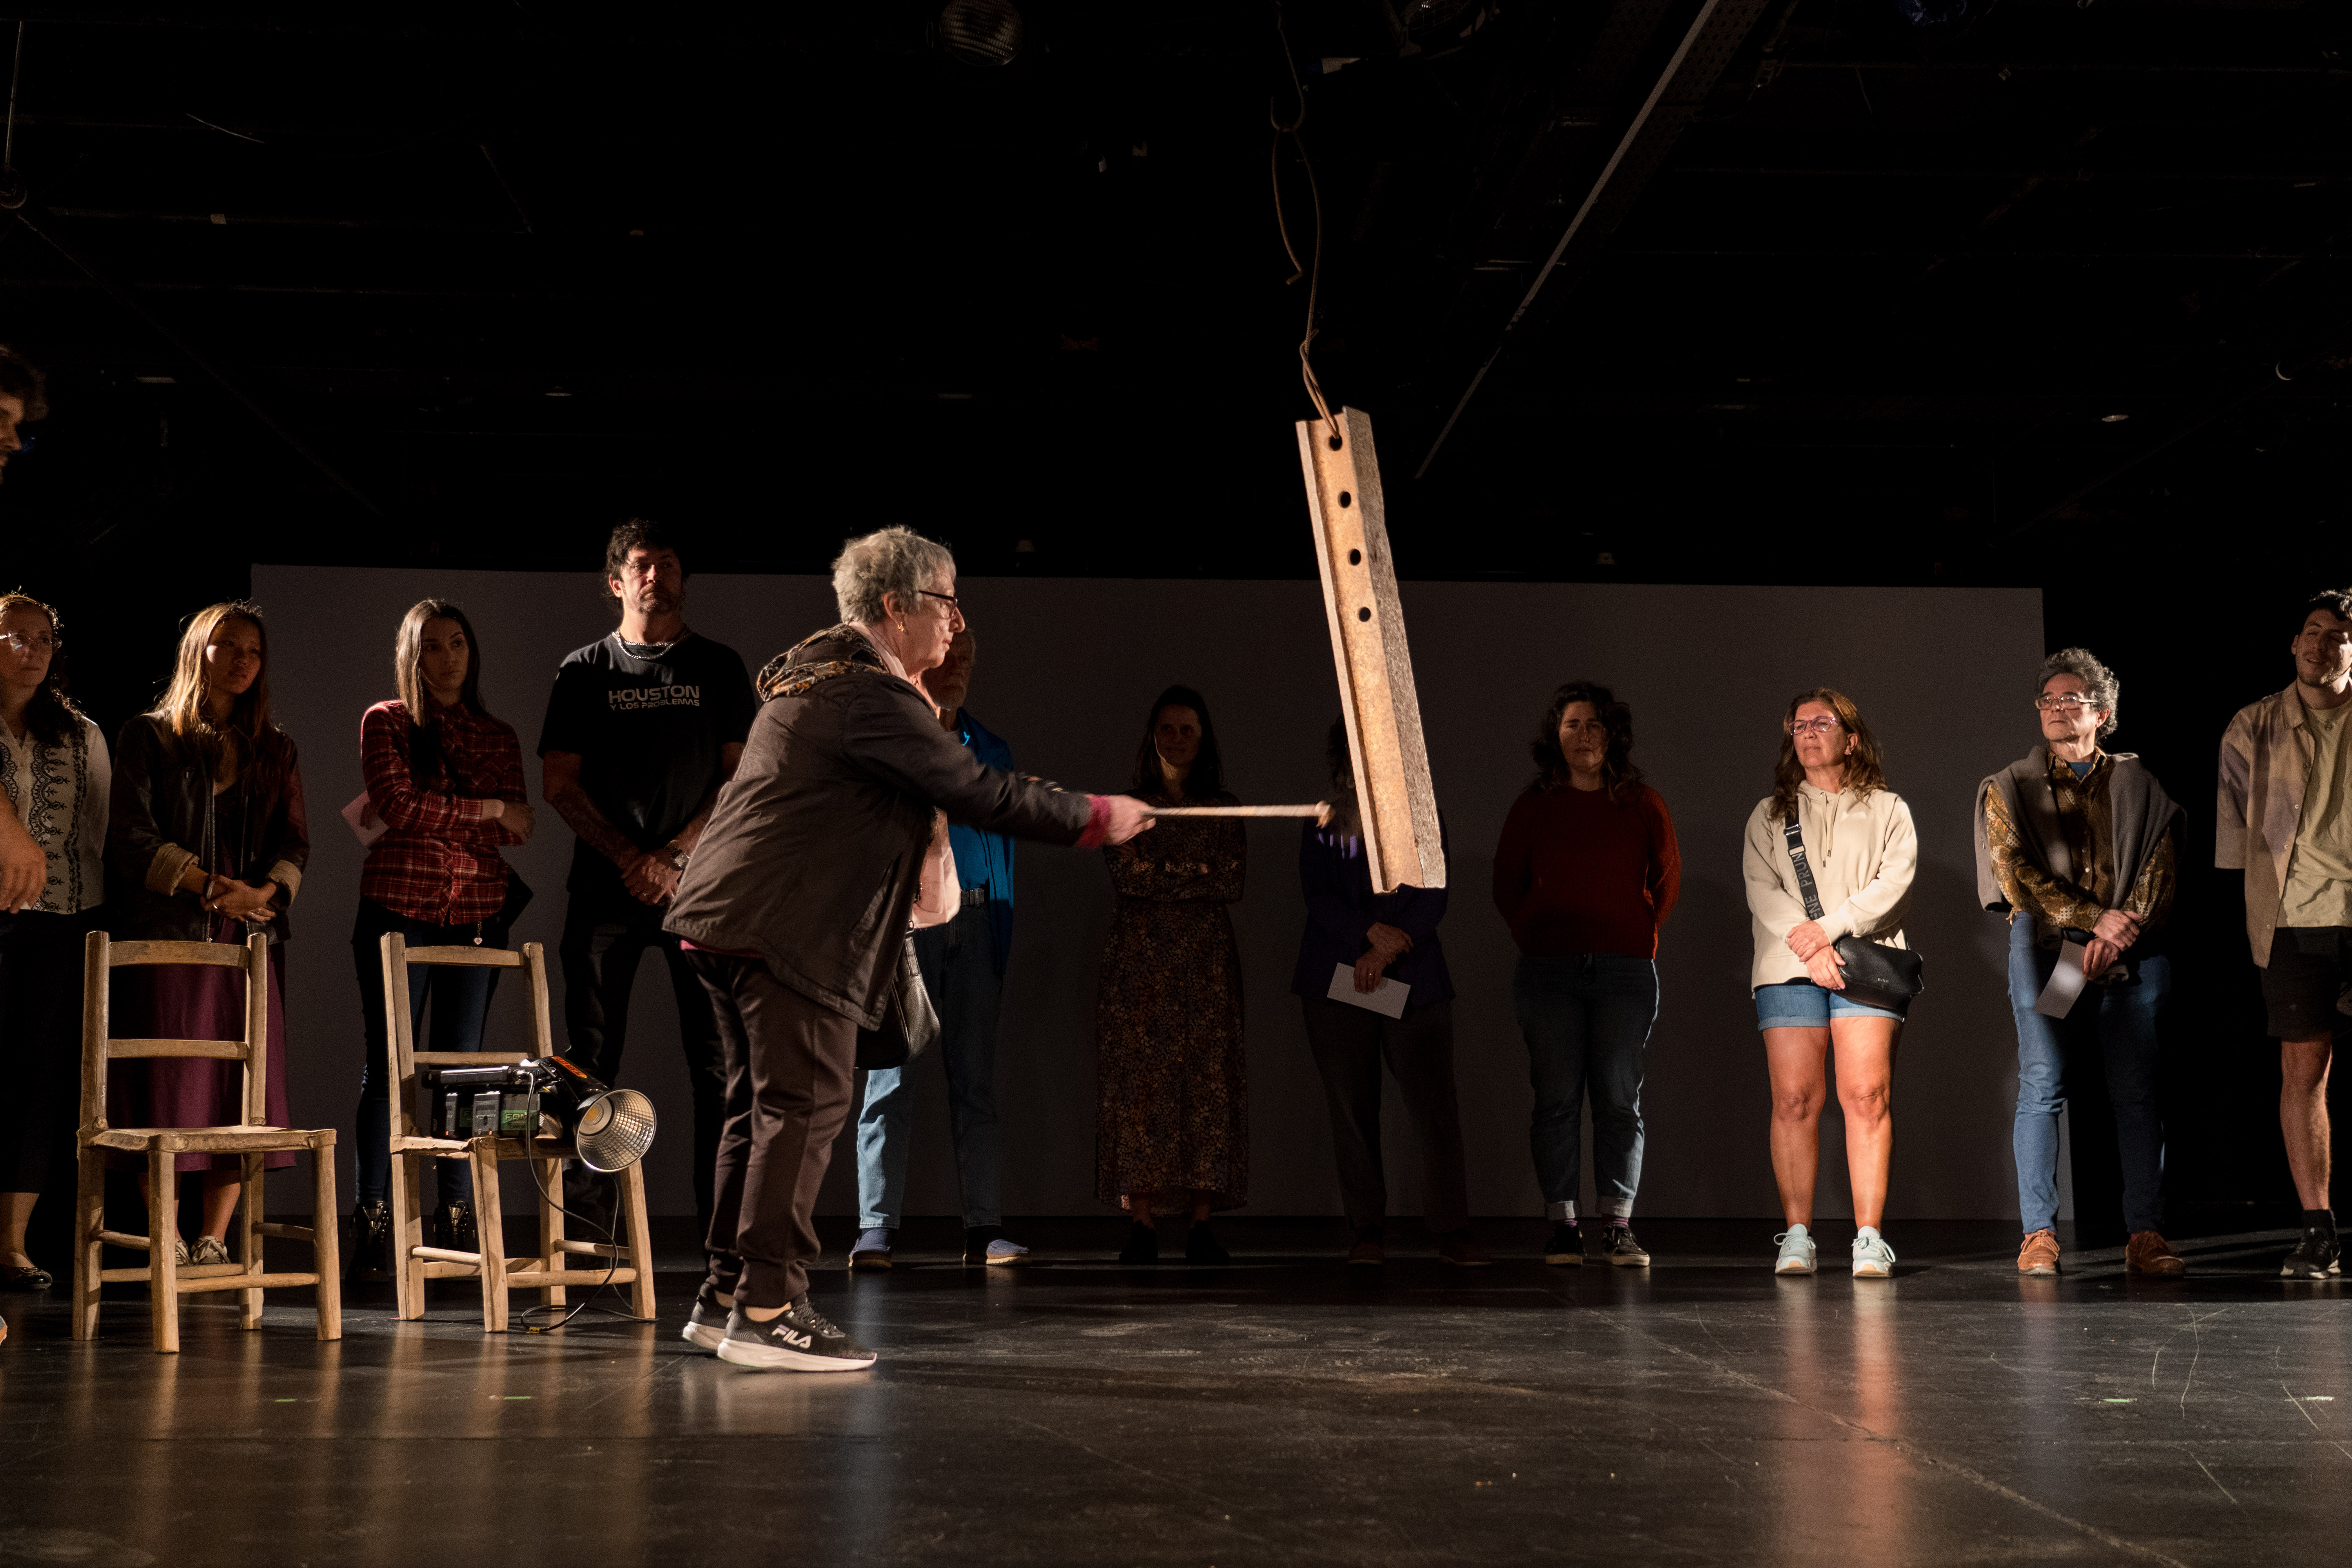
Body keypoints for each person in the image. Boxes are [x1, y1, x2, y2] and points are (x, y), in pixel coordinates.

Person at [665, 526, 1152, 1372]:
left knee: (757, 1110)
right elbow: (973, 787)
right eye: (946, 599)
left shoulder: (819, 676)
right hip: (782, 927)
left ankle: (723, 1296)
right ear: (895, 606)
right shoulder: (867, 691)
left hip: (722, 915)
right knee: (803, 1107)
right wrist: (1096, 817)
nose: (958, 621)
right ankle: (771, 1306)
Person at [538, 519, 756, 1238]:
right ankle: (586, 1232)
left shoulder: (720, 667)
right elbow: (559, 783)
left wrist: (674, 859)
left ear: (683, 577)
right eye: (641, 565)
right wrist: (632, 860)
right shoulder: (583, 670)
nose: (656, 575)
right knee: (588, 1062)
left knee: (719, 1067)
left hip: (701, 894)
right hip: (606, 894)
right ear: (616, 583)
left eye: (668, 563)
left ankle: (721, 1231)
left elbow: (742, 778)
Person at [105, 602, 308, 1265]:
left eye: (254, 650)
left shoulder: (275, 748)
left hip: (244, 940)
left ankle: (214, 1238)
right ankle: (165, 1234)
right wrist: (207, 886)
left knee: (237, 1093)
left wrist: (261, 894)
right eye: (229, 646)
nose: (244, 660)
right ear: (198, 650)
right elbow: (131, 838)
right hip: (166, 935)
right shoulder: (148, 736)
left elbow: (295, 844)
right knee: (161, 1088)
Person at [1976, 649, 2183, 1278]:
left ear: (2104, 712)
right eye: (2049, 701)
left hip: (2128, 953)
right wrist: (2094, 922)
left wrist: (2118, 933)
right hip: (2052, 953)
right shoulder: (2012, 786)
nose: (2060, 710)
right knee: (2043, 1083)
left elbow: (2159, 868)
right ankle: (2038, 1234)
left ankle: (2145, 1234)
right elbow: (2016, 876)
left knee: (2136, 1090)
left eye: (2073, 700)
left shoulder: (2137, 782)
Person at [348, 601, 535, 1278]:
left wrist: (456, 818)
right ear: (412, 655)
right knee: (390, 1066)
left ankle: (458, 1221)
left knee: (464, 1072)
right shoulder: (388, 721)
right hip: (399, 907)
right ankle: (375, 1217)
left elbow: (522, 827)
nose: (449, 657)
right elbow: (397, 806)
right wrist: (482, 811)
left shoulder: (498, 733)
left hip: (478, 914)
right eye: (433, 646)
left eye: (459, 643)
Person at [849, 626, 1033, 1270]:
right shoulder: (893, 738)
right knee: (888, 1079)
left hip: (977, 923)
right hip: (907, 926)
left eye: (968, 658)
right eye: (947, 654)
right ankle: (875, 1227)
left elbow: (1003, 850)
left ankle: (984, 1227)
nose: (957, 666)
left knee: (975, 1083)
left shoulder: (991, 749)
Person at [1492, 681, 1680, 1269]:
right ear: (1557, 735)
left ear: (1612, 735)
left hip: (1625, 972)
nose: (1584, 735)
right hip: (1549, 973)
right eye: (1573, 724)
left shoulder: (1642, 803)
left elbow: (1667, 880)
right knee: (1555, 1101)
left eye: (1595, 724)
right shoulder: (1534, 805)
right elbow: (1506, 884)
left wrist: (1636, 934)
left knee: (1620, 1101)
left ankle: (1618, 1226)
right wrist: (1538, 931)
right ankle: (1563, 1226)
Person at [1742, 688, 1918, 1279]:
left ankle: (1869, 1237)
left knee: (1867, 1097)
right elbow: (1763, 890)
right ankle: (1797, 1236)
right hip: (1789, 969)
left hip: (1865, 964)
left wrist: (1829, 933)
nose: (1809, 732)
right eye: (1798, 725)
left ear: (1853, 737)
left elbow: (1893, 884)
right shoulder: (1769, 814)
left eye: (1823, 722)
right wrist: (1810, 946)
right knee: (1794, 1101)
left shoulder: (1890, 809)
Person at [1296, 720, 1482, 1266]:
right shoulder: (1324, 820)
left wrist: (1385, 950)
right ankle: (1366, 1230)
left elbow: (1434, 894)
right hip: (1338, 979)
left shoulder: (1424, 814)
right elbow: (1317, 895)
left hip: (1412, 976)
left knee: (1435, 1112)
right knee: (1352, 1111)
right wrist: (1364, 936)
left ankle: (1452, 1229)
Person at [2218, 588, 2352, 1280]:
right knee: (2304, 1074)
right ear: (2294, 643)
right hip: (2296, 922)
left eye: (2338, 635)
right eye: (2312, 631)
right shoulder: (2253, 724)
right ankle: (2317, 1229)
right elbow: (2236, 842)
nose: (2321, 644)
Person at [1095, 684, 1249, 1266]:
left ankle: (1203, 1224)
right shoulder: (1127, 807)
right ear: (1152, 736)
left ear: (1202, 737)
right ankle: (1142, 1222)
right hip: (1140, 966)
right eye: (1168, 728)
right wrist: (1195, 871)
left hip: (1207, 969)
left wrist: (1164, 869)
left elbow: (1230, 881)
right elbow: (1130, 879)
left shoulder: (1225, 806)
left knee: (1208, 1087)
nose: (1177, 739)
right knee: (1141, 1090)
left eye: (1188, 729)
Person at [0, 593, 110, 1293]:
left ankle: (11, 1242)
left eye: (45, 639)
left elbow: (97, 830)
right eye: (18, 637)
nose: (35, 650)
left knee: (38, 1079)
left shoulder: (79, 733)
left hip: (58, 919)